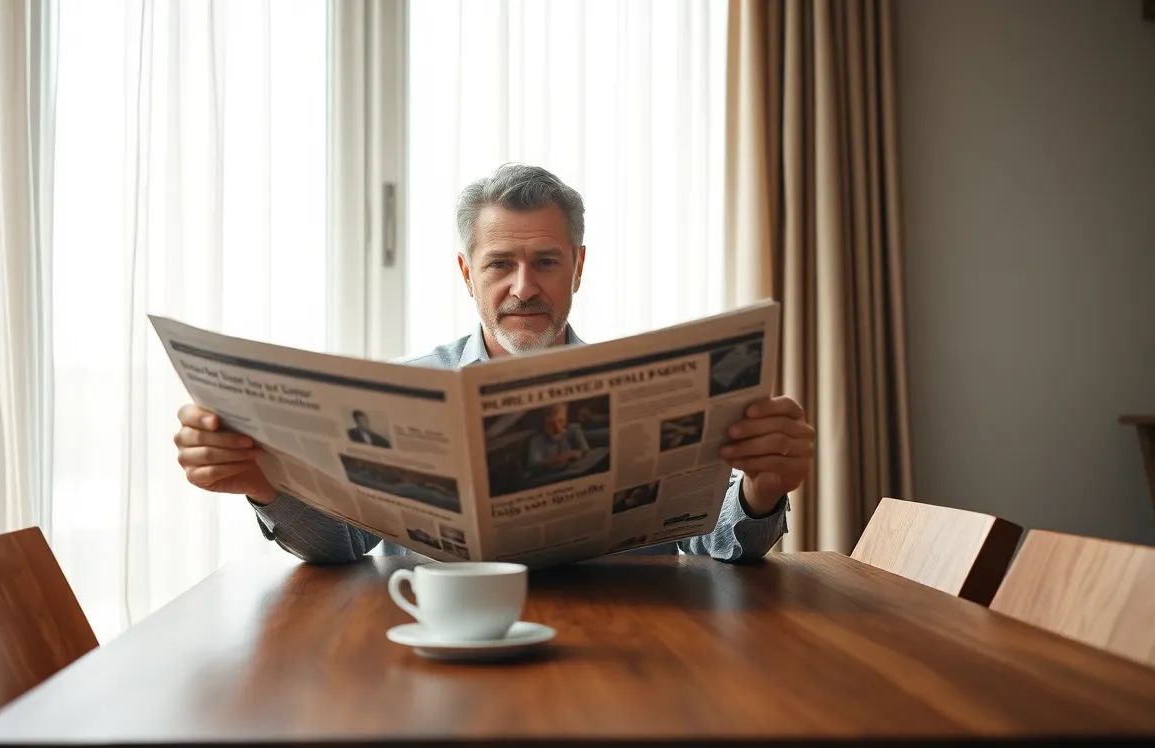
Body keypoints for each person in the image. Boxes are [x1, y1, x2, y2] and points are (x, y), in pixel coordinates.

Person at [173, 163, 816, 564]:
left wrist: (762, 491)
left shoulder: (659, 384)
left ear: (579, 269)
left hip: (626, 643)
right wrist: (260, 481)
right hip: (437, 649)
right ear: (466, 273)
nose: (523, 288)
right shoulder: (405, 387)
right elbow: (341, 549)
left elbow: (710, 544)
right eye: (499, 264)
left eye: (546, 262)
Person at [526, 403, 589, 473]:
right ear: (543, 423)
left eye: (561, 421)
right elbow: (534, 466)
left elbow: (585, 451)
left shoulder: (574, 430)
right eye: (551, 424)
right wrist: (565, 456)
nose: (557, 428)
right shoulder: (536, 441)